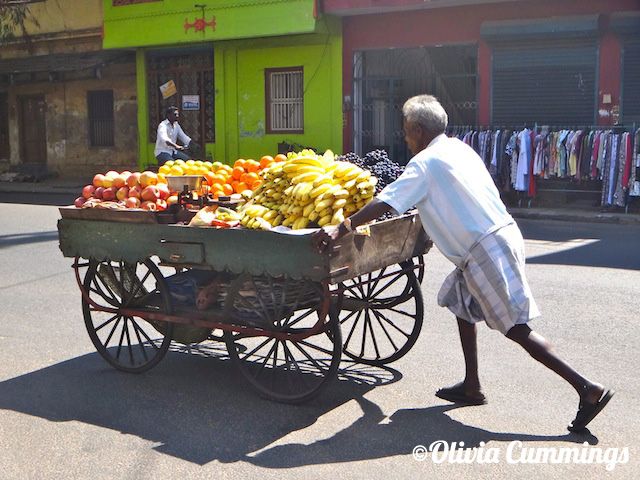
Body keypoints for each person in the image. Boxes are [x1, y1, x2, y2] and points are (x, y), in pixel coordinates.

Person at [314, 94, 613, 433]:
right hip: (497, 237)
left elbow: (386, 202)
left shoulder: (425, 163)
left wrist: (341, 226)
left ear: (418, 129)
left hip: (484, 248)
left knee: (516, 328)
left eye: (406, 131)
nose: (405, 137)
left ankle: (587, 389)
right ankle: (471, 385)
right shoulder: (459, 149)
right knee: (461, 303)